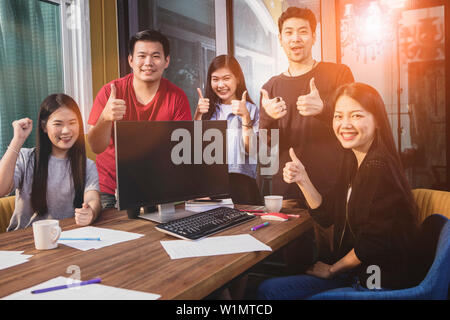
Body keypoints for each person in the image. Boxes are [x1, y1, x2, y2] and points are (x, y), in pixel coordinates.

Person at [258, 83, 424, 299]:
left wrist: (332, 269)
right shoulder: (352, 161)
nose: (345, 124)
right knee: (269, 289)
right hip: (354, 274)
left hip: (377, 283)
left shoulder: (378, 168)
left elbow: (371, 245)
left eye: (356, 116)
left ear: (377, 122)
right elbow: (326, 215)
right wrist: (302, 179)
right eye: (338, 116)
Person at [88, 29, 192, 209]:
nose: (148, 63)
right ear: (130, 60)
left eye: (156, 56)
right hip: (110, 189)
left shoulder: (177, 97)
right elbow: (96, 147)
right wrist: (105, 118)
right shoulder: (110, 92)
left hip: (157, 188)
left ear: (167, 61)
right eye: (141, 56)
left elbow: (183, 152)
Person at [260, 6, 354, 201]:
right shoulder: (270, 87)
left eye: (303, 32)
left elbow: (354, 121)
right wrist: (268, 119)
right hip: (288, 192)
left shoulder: (338, 74)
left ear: (313, 36)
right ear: (280, 39)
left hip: (333, 188)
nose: (295, 38)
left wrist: (323, 109)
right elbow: (264, 146)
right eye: (289, 32)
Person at [0, 94, 101, 231]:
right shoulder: (26, 158)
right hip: (24, 241)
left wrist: (91, 212)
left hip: (67, 239)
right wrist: (17, 140)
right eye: (58, 124)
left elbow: (92, 199)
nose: (66, 131)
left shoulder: (87, 165)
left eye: (72, 123)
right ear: (44, 126)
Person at [195, 55, 261, 205]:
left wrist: (245, 117)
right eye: (215, 79)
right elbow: (195, 150)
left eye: (226, 78)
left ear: (237, 79)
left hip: (242, 186)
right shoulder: (207, 109)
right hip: (211, 186)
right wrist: (198, 114)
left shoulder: (251, 109)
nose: (221, 84)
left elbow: (252, 150)